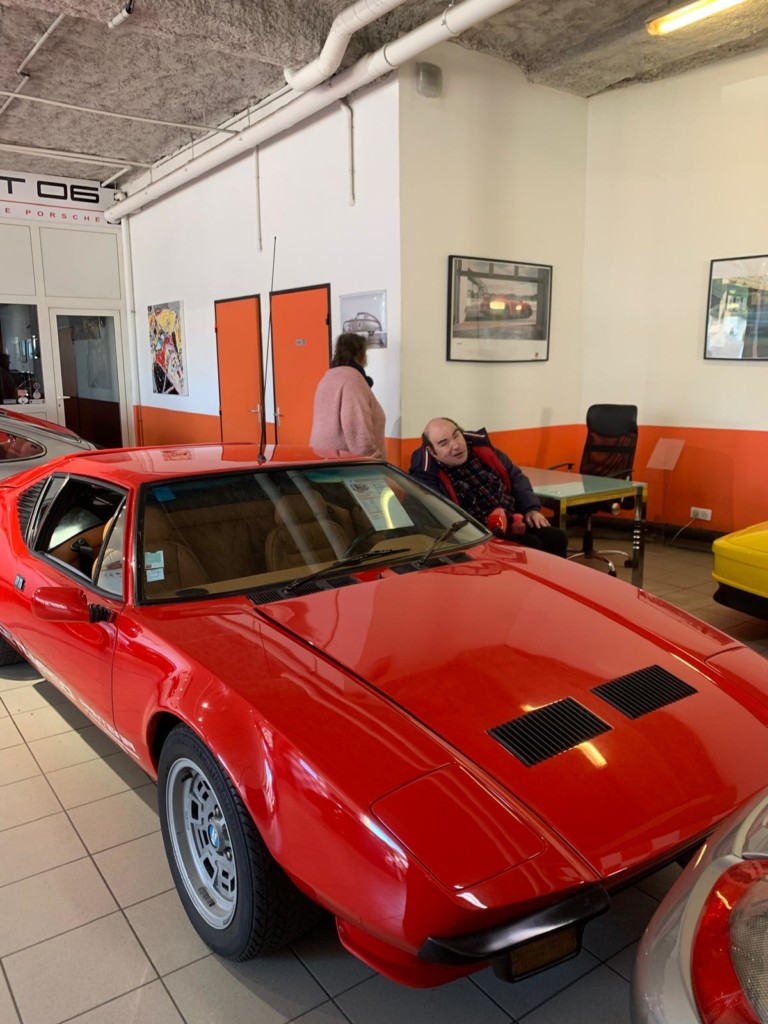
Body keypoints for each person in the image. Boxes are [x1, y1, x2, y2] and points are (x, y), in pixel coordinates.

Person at [410, 417, 568, 557]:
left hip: (512, 519)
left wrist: (531, 509)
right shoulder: (426, 476)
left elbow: (516, 478)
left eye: (456, 435)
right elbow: (431, 520)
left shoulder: (483, 450)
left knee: (556, 537)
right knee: (530, 545)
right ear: (432, 451)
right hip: (477, 535)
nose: (456, 446)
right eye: (444, 444)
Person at [310, 332, 386, 458]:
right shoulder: (352, 379)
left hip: (326, 455)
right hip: (350, 461)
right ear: (360, 354)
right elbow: (356, 424)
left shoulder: (328, 376)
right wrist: (373, 458)